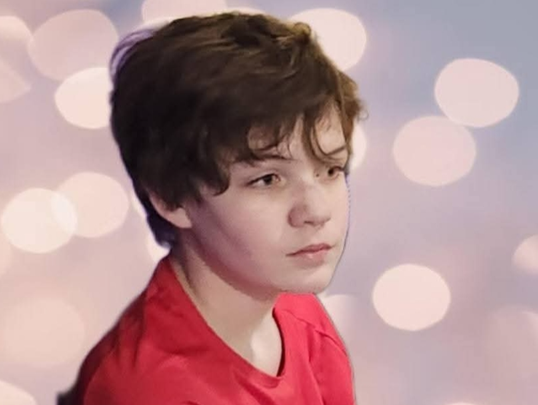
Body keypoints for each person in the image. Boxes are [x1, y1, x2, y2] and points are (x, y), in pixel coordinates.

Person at [58, 11, 365, 405]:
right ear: (170, 197)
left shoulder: (298, 312)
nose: (317, 211)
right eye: (267, 179)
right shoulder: (149, 390)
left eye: (330, 169)